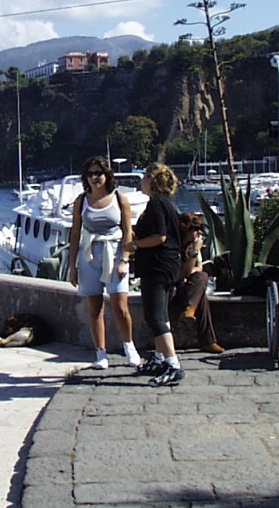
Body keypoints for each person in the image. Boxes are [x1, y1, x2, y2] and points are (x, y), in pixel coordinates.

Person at [68, 155, 142, 369]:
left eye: (98, 173)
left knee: (120, 305)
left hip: (114, 253)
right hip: (89, 255)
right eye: (90, 174)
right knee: (94, 306)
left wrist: (125, 259)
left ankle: (129, 346)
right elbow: (75, 234)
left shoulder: (119, 198)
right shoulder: (81, 201)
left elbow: (128, 232)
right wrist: (73, 266)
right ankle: (100, 353)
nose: (94, 178)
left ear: (107, 175)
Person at [123, 163, 185, 386]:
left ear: (151, 179)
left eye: (144, 178)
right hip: (166, 265)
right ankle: (160, 358)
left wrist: (135, 245)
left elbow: (160, 236)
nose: (141, 182)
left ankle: (173, 364)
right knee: (161, 314)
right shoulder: (165, 203)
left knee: (154, 317)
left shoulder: (157, 204)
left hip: (158, 266)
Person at [172, 212, 224, 354]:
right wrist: (194, 252)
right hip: (175, 287)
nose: (198, 233)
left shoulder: (194, 244)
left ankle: (190, 309)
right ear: (186, 230)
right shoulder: (176, 246)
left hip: (189, 285)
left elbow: (198, 267)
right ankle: (208, 341)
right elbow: (183, 273)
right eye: (195, 229)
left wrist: (192, 264)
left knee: (202, 277)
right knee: (200, 291)